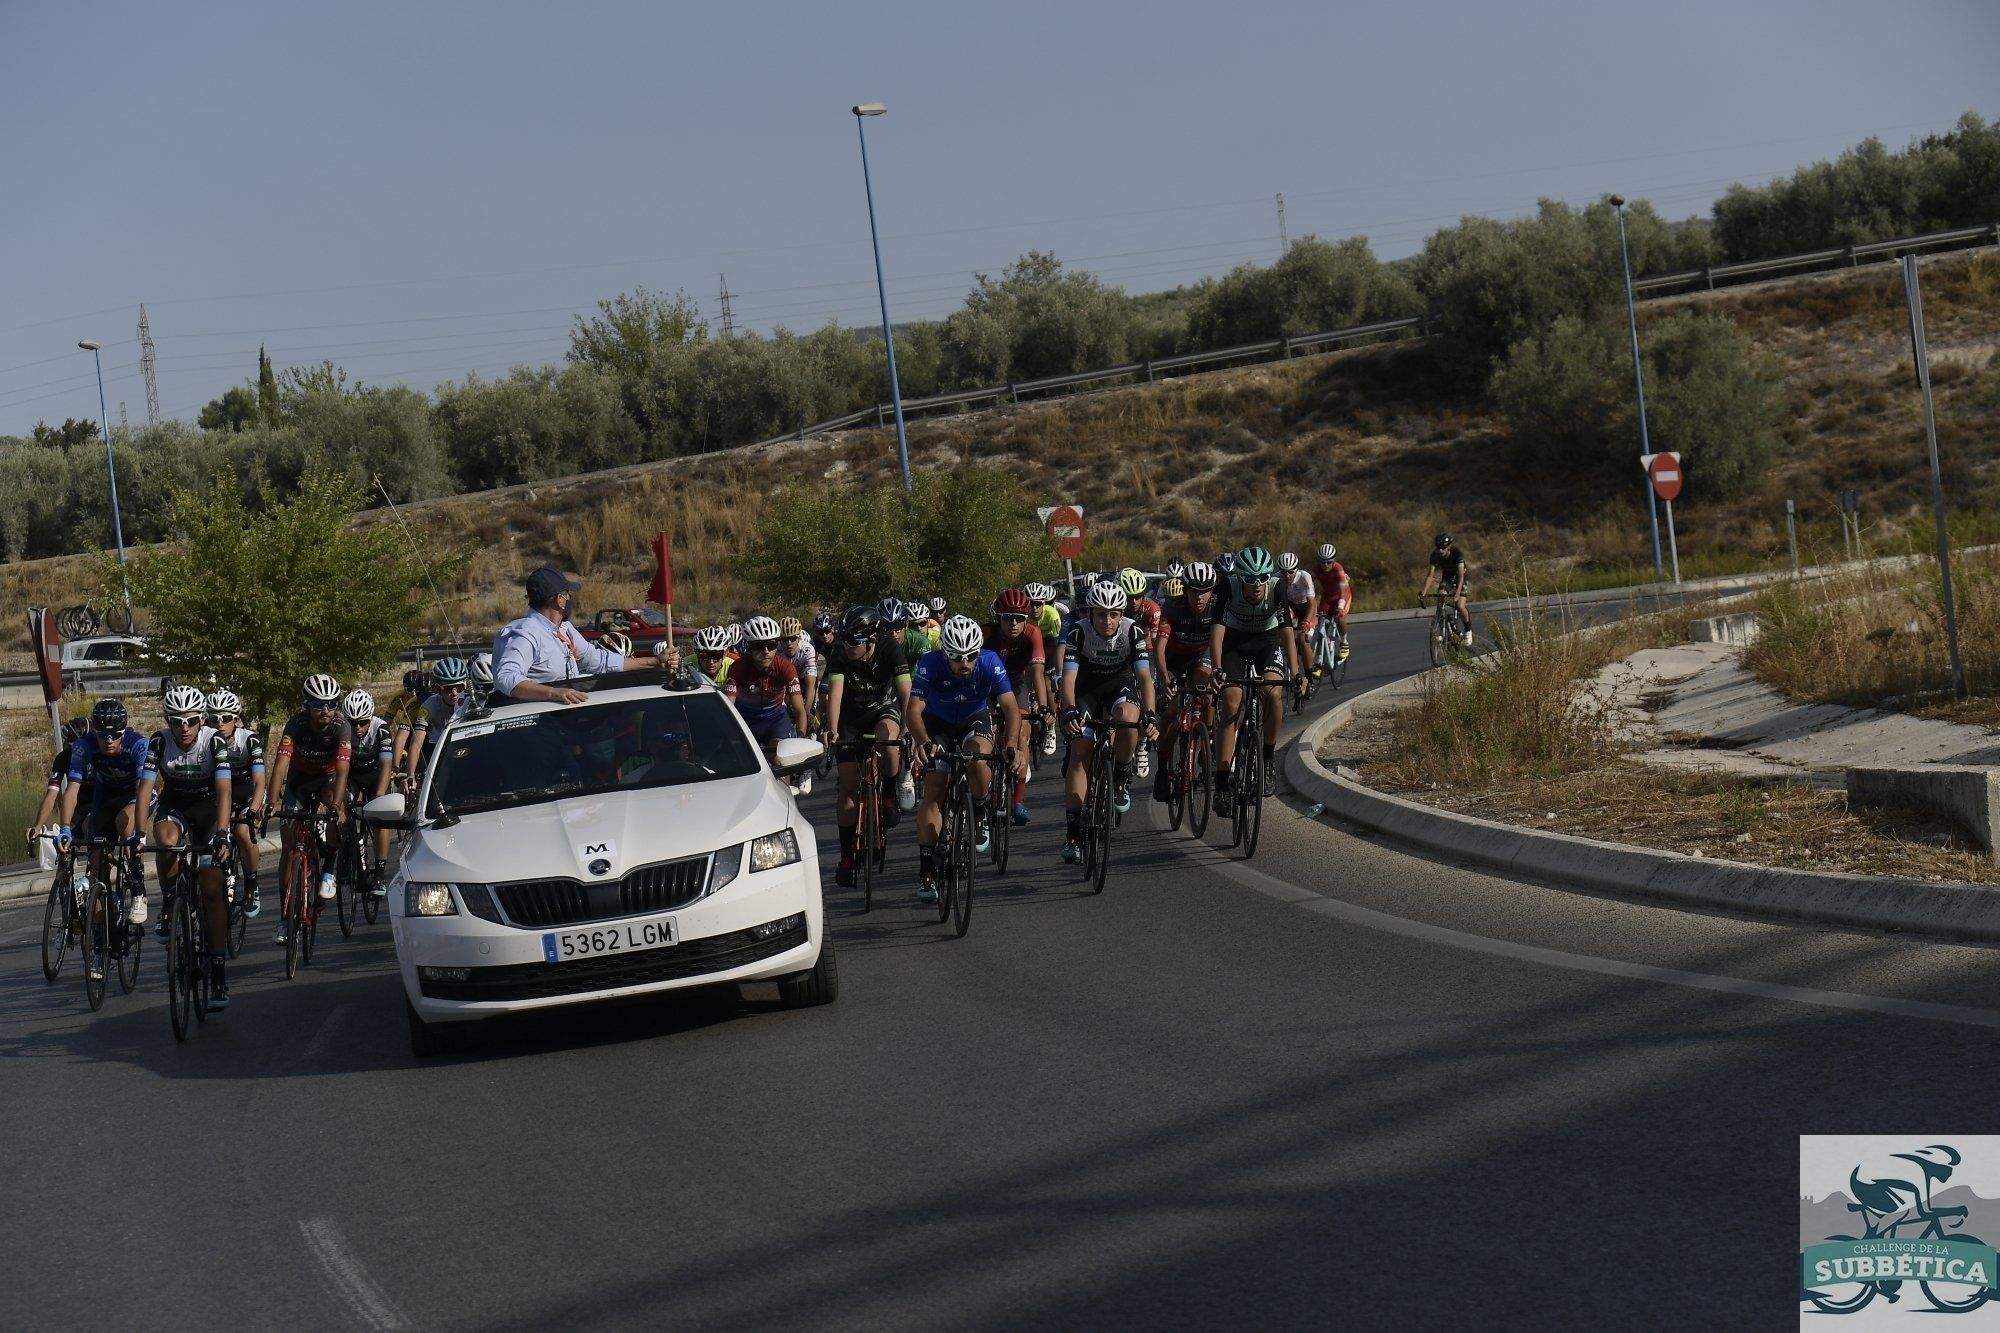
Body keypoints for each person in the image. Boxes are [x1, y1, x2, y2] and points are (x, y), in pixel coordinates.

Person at [906, 616, 1024, 904]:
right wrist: (923, 741)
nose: (965, 664)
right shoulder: (929, 662)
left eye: (971, 656)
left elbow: (1010, 707)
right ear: (945, 653)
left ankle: (980, 812)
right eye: (957, 658)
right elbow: (913, 710)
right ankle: (926, 869)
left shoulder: (990, 661)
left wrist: (1011, 745)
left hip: (975, 718)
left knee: (977, 755)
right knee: (934, 791)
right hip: (937, 724)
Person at [135, 685, 233, 1003]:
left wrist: (223, 833)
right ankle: (169, 902)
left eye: (191, 720)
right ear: (168, 720)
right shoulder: (159, 741)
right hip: (175, 805)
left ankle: (218, 971)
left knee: (211, 889)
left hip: (208, 811)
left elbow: (224, 792)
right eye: (177, 721)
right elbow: (145, 787)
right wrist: (137, 834)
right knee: (164, 842)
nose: (184, 728)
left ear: (201, 719)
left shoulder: (214, 740)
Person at [1058, 581, 1156, 863]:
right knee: (1080, 750)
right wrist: (1069, 710)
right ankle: (1073, 833)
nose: (1107, 620)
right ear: (1091, 613)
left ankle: (1122, 775)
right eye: (1101, 614)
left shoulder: (1132, 630)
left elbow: (1145, 678)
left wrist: (1149, 712)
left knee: (1128, 719)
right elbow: (1068, 680)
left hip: (1119, 685)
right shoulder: (1079, 631)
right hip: (1087, 689)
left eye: (1113, 614)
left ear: (1121, 613)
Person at [823, 605, 914, 887]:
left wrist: (909, 729)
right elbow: (835, 695)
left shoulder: (890, 649)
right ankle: (848, 856)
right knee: (848, 792)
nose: (848, 646)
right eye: (846, 639)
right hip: (851, 716)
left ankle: (888, 793)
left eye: (855, 641)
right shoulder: (839, 652)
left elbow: (906, 692)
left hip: (883, 709)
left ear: (872, 639)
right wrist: (833, 731)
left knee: (889, 744)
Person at [260, 674, 352, 947]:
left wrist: (335, 805)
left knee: (338, 814)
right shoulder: (296, 724)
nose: (325, 710)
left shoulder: (341, 727)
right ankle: (285, 915)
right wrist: (272, 800)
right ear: (306, 705)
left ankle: (329, 869)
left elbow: (344, 768)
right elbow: (280, 764)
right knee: (289, 847)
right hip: (299, 782)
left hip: (328, 779)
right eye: (318, 704)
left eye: (331, 704)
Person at [55, 699, 152, 944]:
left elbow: (143, 790)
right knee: (96, 866)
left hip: (135, 797)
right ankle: (100, 938)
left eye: (114, 735)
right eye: (102, 735)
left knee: (126, 823)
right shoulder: (83, 746)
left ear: (124, 731)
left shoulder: (138, 745)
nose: (108, 740)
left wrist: (140, 834)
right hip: (105, 798)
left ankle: (138, 888)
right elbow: (72, 791)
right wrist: (65, 828)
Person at [1209, 546, 1288, 812]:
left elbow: (1287, 629)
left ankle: (1267, 756)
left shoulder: (1277, 587)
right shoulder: (1227, 587)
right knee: (1231, 702)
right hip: (1235, 642)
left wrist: (1297, 673)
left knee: (1273, 693)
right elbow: (1217, 631)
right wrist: (1218, 668)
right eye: (1251, 579)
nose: (1257, 585)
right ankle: (1221, 782)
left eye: (1263, 578)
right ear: (1240, 576)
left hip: (1267, 641)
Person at [491, 564, 627, 705]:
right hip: (539, 721)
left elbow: (596, 660)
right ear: (560, 600)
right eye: (568, 594)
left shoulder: (564, 628)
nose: (569, 599)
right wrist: (553, 693)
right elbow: (506, 677)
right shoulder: (526, 632)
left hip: (566, 716)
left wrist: (648, 662)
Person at [1151, 562, 1218, 802]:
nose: (1199, 597)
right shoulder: (1173, 607)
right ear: (1185, 589)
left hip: (1201, 657)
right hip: (1173, 659)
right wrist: (1163, 676)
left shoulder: (1217, 606)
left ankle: (1207, 737)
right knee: (1171, 712)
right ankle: (1162, 768)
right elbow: (1159, 648)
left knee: (1206, 688)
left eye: (1205, 591)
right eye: (1194, 591)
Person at [983, 588, 1049, 826]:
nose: (1013, 623)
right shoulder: (986, 634)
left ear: (1026, 619)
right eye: (1007, 618)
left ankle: (1018, 801)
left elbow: (1037, 673)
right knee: (985, 735)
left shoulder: (1033, 633)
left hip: (1016, 684)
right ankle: (986, 786)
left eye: (1019, 618)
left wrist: (1042, 707)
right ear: (997, 617)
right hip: (988, 685)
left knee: (1022, 734)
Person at [209, 688, 266, 917]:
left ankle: (252, 883)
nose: (220, 723)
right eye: (214, 718)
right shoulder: (207, 741)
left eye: (226, 718)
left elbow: (260, 780)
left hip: (247, 794)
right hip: (220, 794)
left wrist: (253, 810)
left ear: (236, 718)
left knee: (243, 833)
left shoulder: (249, 740)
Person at [726, 616, 809, 772]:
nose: (766, 652)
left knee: (779, 757)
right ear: (749, 647)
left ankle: (785, 792)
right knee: (742, 764)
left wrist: (801, 739)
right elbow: (729, 706)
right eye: (759, 646)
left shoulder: (786, 667)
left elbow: (799, 710)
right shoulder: (738, 668)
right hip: (746, 720)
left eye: (771, 645)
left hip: (775, 719)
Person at [341, 689, 396, 897]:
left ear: (370, 718)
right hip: (352, 776)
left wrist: (380, 796)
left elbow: (386, 763)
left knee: (380, 819)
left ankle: (380, 873)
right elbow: (339, 766)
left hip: (375, 776)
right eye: (352, 722)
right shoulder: (342, 729)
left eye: (362, 722)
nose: (357, 728)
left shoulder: (380, 728)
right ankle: (347, 851)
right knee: (341, 805)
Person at [403, 656, 470, 784]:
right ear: (439, 689)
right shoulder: (430, 705)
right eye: (448, 689)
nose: (455, 693)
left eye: (459, 687)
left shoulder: (471, 701)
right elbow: (416, 744)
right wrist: (410, 774)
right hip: (438, 748)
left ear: (465, 685)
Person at [27, 718, 88, 857]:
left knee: (93, 834)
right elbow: (51, 795)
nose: (75, 751)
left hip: (97, 803)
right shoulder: (63, 758)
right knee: (64, 846)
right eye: (71, 745)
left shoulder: (97, 754)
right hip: (76, 806)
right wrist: (38, 826)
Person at [1420, 533, 1472, 647]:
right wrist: (1424, 592)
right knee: (1441, 594)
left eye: (1443, 548)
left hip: (1460, 577)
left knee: (1460, 605)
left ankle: (1468, 631)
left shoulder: (1457, 554)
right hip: (1447, 577)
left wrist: (1457, 594)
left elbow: (1461, 576)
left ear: (1449, 547)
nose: (1440, 551)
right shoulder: (1435, 555)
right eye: (1438, 548)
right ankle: (1441, 626)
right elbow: (1430, 575)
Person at [1278, 551, 1319, 688]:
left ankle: (1309, 676)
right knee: (1287, 639)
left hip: (1307, 609)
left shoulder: (1304, 577)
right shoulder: (1276, 579)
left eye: (1290, 572)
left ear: (1296, 570)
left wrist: (1307, 622)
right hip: (1292, 609)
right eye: (1283, 572)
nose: (1287, 576)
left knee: (1303, 639)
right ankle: (1295, 672)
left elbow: (1312, 603)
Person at [1311, 543, 1353, 669]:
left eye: (1328, 562)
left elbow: (1344, 591)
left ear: (1333, 561)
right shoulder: (1316, 569)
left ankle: (1344, 643)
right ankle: (1320, 657)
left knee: (1340, 617)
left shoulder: (1338, 569)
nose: (1325, 565)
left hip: (1343, 595)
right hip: (1328, 597)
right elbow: (1307, 583)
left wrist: (1340, 607)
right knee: (1320, 624)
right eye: (1322, 562)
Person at [778, 616, 819, 708]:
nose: (789, 643)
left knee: (808, 709)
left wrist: (807, 710)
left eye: (792, 638)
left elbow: (810, 683)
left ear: (799, 638)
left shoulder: (807, 649)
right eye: (784, 639)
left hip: (804, 679)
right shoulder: (776, 650)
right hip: (786, 680)